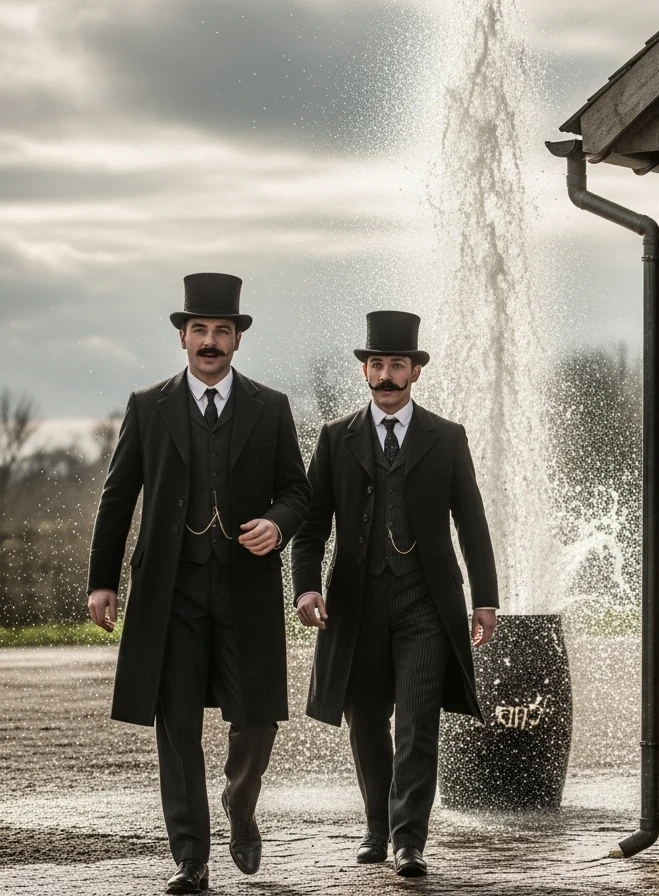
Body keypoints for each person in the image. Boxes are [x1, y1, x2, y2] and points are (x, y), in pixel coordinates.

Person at [85, 273, 311, 894]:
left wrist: (278, 522)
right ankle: (191, 857)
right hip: (171, 593)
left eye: (222, 331)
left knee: (258, 716)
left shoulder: (272, 407)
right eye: (200, 331)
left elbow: (298, 491)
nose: (210, 342)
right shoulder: (146, 406)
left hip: (247, 591)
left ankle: (239, 804)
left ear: (238, 340)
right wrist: (102, 579)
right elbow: (117, 496)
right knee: (176, 723)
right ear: (182, 337)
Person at [291, 309, 499, 877]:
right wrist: (306, 587)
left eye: (397, 366)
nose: (386, 376)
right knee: (365, 721)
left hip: (426, 605)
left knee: (417, 721)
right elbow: (311, 525)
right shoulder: (336, 439)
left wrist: (485, 598)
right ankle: (377, 828)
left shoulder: (447, 438)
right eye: (377, 364)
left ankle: (410, 839)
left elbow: (472, 524)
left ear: (415, 373)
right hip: (356, 606)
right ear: (365, 371)